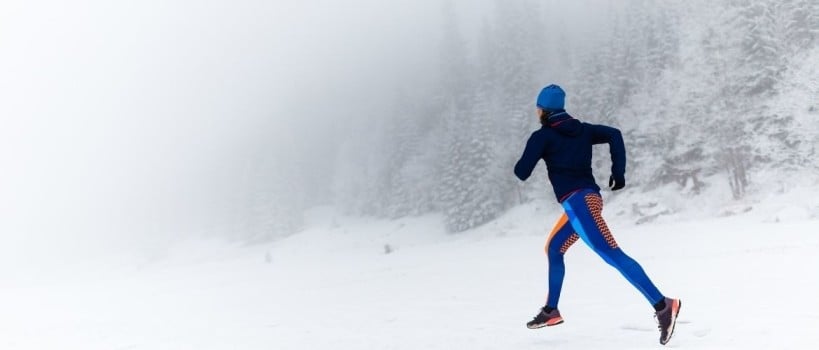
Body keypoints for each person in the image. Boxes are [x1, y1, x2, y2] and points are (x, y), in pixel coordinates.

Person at [514, 84, 681, 345]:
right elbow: (614, 134)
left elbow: (521, 172)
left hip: (578, 204)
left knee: (613, 254)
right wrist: (619, 172)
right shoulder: (583, 130)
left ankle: (663, 306)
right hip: (587, 202)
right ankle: (551, 311)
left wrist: (534, 150)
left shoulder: (543, 137)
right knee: (554, 249)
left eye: (537, 108)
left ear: (543, 110)